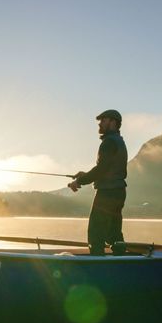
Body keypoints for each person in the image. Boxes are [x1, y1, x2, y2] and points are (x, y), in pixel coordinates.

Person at [68, 109, 128, 256]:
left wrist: (79, 181)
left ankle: (97, 262)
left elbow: (101, 169)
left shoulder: (108, 143)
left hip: (107, 193)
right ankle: (121, 261)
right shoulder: (119, 142)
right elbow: (107, 169)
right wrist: (84, 175)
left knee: (96, 232)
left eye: (103, 120)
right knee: (114, 232)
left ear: (113, 122)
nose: (100, 124)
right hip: (118, 192)